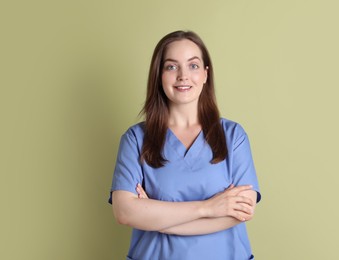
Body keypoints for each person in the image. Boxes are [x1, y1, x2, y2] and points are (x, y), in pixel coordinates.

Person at [108, 30, 261, 260]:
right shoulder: (135, 139)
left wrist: (157, 219)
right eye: (171, 66)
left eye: (193, 65)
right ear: (159, 75)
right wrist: (209, 208)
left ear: (206, 74)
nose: (183, 76)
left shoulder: (233, 136)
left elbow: (241, 211)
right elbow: (124, 212)